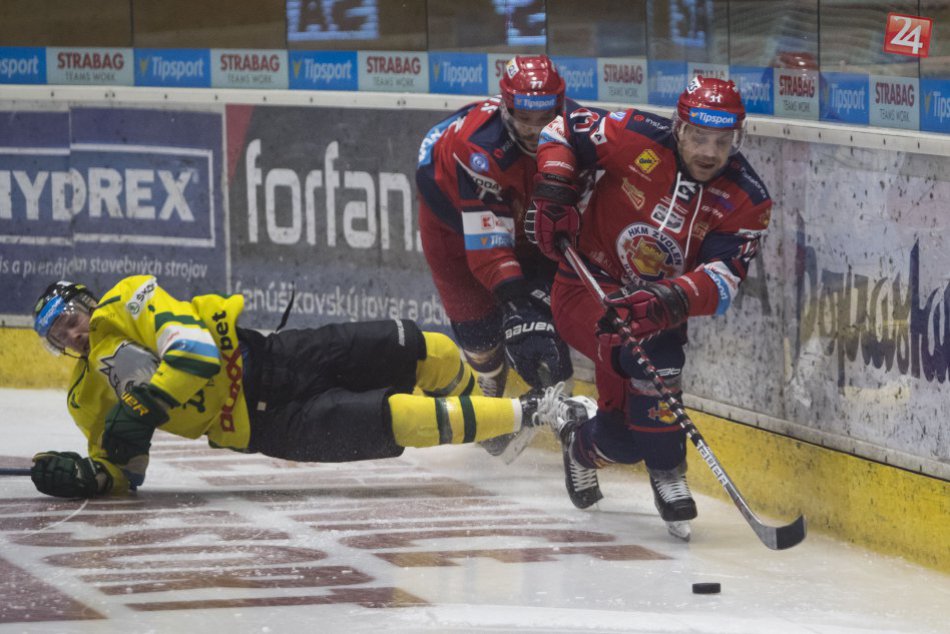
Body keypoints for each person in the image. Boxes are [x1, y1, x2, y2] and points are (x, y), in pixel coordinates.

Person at [28, 276, 580, 499]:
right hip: (263, 426)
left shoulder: (130, 298)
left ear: (87, 301)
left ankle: (493, 432)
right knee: (391, 417)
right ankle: (526, 414)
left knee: (424, 347)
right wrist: (93, 478)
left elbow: (193, 350)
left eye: (71, 317)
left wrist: (145, 402)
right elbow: (128, 472)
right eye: (59, 334)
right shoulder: (85, 397)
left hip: (277, 358)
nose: (72, 332)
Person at [528, 76, 772, 540]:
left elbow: (723, 280)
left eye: (722, 142)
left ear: (736, 140)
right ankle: (669, 474)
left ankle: (580, 445)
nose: (708, 151)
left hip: (658, 313)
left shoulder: (747, 199)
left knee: (620, 442)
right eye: (699, 137)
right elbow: (561, 131)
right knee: (656, 360)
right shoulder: (634, 134)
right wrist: (557, 185)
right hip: (586, 288)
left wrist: (672, 298)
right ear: (678, 128)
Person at [416, 54, 581, 460]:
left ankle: (557, 400)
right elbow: (489, 248)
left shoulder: (583, 132)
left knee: (546, 316)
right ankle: (489, 385)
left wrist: (536, 311)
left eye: (546, 116)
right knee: (481, 336)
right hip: (451, 225)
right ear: (506, 107)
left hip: (527, 216)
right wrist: (515, 304)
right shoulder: (479, 147)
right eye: (525, 117)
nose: (536, 129)